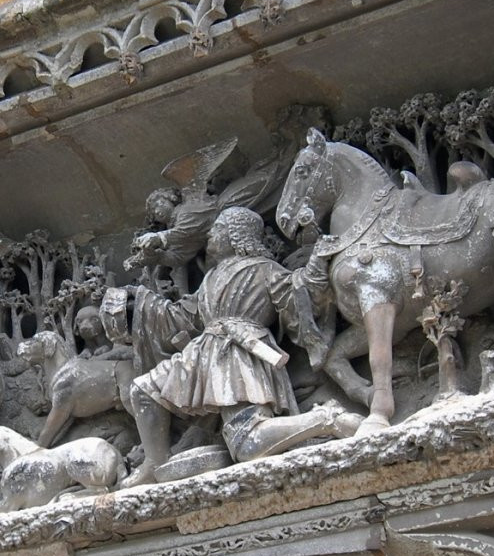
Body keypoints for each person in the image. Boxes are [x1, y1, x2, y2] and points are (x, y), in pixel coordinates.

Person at [126, 206, 360, 482]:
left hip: (240, 354)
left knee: (247, 445)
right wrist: (136, 303)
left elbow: (299, 298)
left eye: (218, 229)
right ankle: (156, 462)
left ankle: (326, 419)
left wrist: (317, 263)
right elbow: (184, 316)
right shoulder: (210, 278)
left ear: (236, 235)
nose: (211, 234)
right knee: (142, 391)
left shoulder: (265, 270)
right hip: (203, 354)